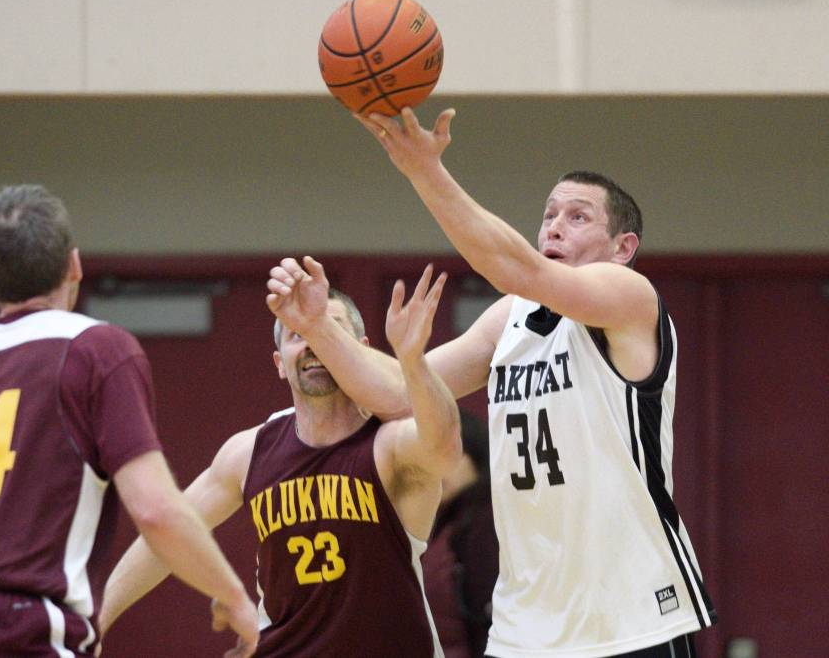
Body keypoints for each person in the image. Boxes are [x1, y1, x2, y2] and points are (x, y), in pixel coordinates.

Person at [266, 107, 716, 657]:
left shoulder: (632, 300)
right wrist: (317, 327)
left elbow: (519, 268)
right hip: (525, 627)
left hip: (631, 616)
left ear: (623, 248)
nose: (553, 224)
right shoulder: (511, 318)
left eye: (578, 217)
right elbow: (393, 396)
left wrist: (424, 171)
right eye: (549, 213)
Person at [0, 185, 258, 657]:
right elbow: (157, 510)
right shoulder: (96, 350)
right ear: (74, 265)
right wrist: (235, 599)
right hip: (21, 630)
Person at [98, 272, 462, 657]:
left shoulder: (390, 443)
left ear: (360, 349)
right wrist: (98, 618)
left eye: (326, 330)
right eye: (297, 334)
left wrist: (412, 363)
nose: (312, 345)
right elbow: (170, 532)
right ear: (279, 362)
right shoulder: (249, 453)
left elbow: (444, 447)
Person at [422, 410, 496, 658]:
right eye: (430, 455)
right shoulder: (443, 523)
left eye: (452, 453)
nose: (439, 466)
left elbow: (489, 621)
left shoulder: (485, 520)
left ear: (476, 456)